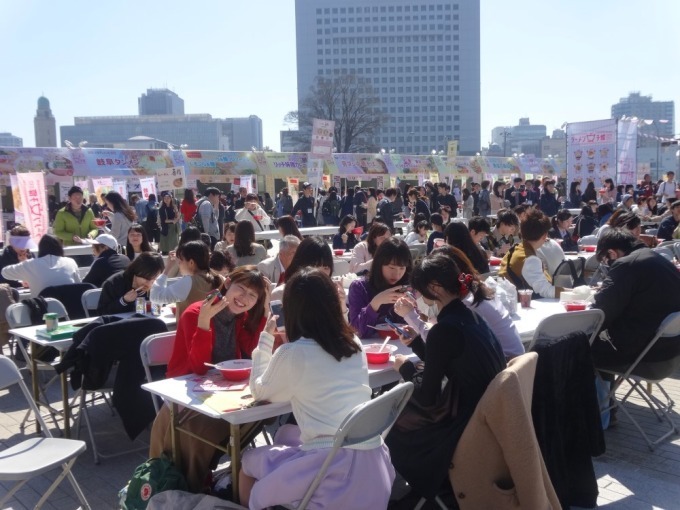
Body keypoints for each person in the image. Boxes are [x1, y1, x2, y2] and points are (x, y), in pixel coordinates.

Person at [239, 268, 394, 509]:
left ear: (292, 310)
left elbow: (260, 392)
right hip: (371, 463)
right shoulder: (353, 342)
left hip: (328, 466)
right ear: (332, 304)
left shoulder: (294, 353)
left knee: (247, 461)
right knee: (285, 433)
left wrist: (265, 340)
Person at [385, 252, 506, 501]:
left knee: (392, 420)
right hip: (488, 412)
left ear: (434, 288)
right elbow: (449, 359)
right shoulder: (470, 316)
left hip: (465, 421)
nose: (418, 298)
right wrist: (417, 343)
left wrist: (405, 368)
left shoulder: (445, 328)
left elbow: (428, 396)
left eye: (419, 291)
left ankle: (424, 489)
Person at [149, 266, 268, 492]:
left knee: (258, 416)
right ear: (227, 284)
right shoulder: (196, 312)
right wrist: (204, 322)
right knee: (202, 432)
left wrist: (263, 309)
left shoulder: (240, 317)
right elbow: (198, 368)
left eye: (253, 295)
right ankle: (191, 486)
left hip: (222, 391)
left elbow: (253, 351)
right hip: (185, 391)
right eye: (240, 289)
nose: (244, 298)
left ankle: (218, 480)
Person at [394, 245, 524, 360]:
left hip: (500, 374)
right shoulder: (477, 290)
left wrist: (411, 315)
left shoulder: (467, 306)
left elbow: (440, 344)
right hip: (511, 368)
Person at [591, 229, 680, 369]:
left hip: (641, 357)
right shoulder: (658, 259)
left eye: (606, 261)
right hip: (669, 354)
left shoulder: (626, 264)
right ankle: (604, 391)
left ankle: (595, 392)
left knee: (577, 346)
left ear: (612, 253)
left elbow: (603, 311)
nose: (608, 266)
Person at [348, 237, 412, 338]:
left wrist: (411, 310)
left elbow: (415, 329)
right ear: (379, 264)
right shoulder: (359, 287)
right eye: (391, 267)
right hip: (370, 350)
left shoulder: (407, 288)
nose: (397, 274)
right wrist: (375, 303)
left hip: (403, 350)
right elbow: (356, 331)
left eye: (402, 268)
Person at [498, 209, 566, 298]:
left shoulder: (516, 249)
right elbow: (546, 290)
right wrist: (576, 294)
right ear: (545, 236)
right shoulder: (530, 259)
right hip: (520, 306)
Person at [151, 240, 221, 318]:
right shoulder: (218, 278)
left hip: (189, 328)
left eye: (181, 260)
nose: (178, 263)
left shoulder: (189, 281)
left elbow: (155, 297)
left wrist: (167, 269)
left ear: (191, 263)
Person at [269, 236, 342, 305]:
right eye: (314, 266)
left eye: (326, 267)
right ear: (299, 264)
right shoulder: (282, 293)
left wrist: (341, 305)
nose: (320, 273)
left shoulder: (330, 293)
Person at [1, 234, 80, 296]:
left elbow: (5, 272)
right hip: (69, 308)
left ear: (41, 248)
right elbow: (78, 285)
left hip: (41, 309)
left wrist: (23, 266)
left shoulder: (30, 264)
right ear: (60, 248)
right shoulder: (71, 262)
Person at [97, 252, 164, 315]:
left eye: (154, 279)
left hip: (145, 323)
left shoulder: (156, 284)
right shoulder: (114, 283)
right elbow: (102, 312)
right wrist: (123, 300)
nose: (150, 284)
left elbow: (160, 309)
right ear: (137, 271)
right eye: (147, 279)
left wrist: (156, 299)